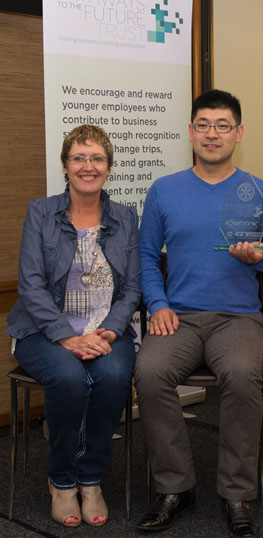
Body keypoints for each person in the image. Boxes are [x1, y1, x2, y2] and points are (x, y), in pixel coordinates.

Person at [135, 89, 263, 537]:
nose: (212, 133)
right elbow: (147, 257)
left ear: (238, 133)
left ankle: (236, 492)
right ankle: (175, 487)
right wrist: (158, 304)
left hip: (238, 318)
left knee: (243, 376)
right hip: (178, 315)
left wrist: (260, 256)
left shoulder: (261, 191)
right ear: (190, 132)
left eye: (223, 125)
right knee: (149, 371)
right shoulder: (164, 190)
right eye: (203, 124)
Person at [7, 125, 140, 528]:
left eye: (97, 158)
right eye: (79, 158)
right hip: (43, 331)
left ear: (108, 167)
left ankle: (91, 476)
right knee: (68, 378)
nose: (88, 166)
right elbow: (30, 285)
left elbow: (132, 287)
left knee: (116, 373)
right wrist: (67, 336)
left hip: (105, 331)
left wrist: (110, 331)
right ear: (65, 166)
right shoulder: (41, 212)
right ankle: (62, 480)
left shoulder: (125, 216)